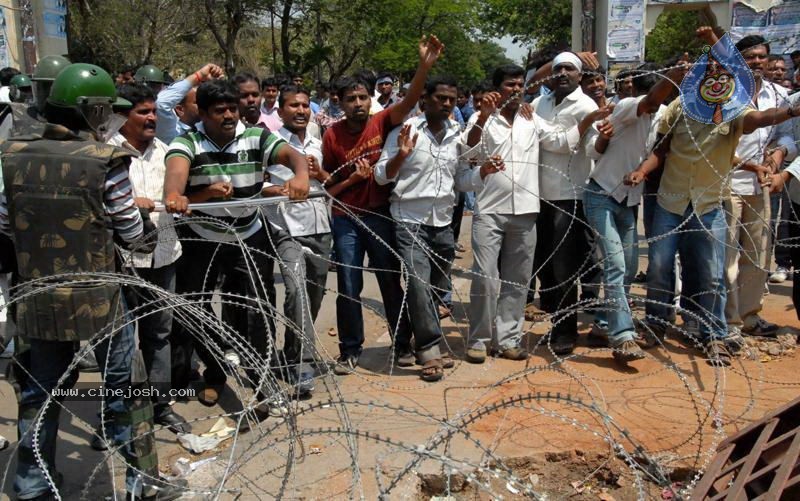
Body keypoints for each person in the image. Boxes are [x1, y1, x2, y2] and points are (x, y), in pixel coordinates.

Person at [0, 63, 184, 501]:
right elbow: (131, 234)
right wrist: (156, 224)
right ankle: (144, 483)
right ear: (95, 111)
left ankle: (30, 485)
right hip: (98, 298)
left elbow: (7, 225)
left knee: (39, 394)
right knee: (126, 390)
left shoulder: (12, 154)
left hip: (38, 296)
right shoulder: (107, 163)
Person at [624, 28, 800, 365]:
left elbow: (761, 118)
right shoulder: (680, 107)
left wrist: (791, 111)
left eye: (721, 73)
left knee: (712, 271)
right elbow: (662, 149)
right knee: (660, 267)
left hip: (709, 204)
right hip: (670, 201)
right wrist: (642, 172)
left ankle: (714, 334)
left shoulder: (733, 110)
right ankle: (656, 325)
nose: (714, 77)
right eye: (709, 71)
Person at [164, 79, 310, 408]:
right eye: (219, 111)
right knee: (196, 310)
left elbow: (293, 157)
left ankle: (262, 378)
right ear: (201, 113)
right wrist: (175, 196)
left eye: (232, 108)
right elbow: (175, 176)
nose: (229, 115)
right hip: (201, 237)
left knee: (259, 310)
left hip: (248, 233)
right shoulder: (188, 142)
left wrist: (300, 177)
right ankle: (215, 370)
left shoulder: (255, 136)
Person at [322, 35, 443, 374]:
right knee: (348, 284)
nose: (358, 103)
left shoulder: (381, 122)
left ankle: (401, 343)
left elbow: (412, 100)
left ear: (370, 99)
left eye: (362, 97)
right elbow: (328, 183)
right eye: (350, 99)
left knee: (390, 281)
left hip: (379, 215)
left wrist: (424, 66)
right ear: (340, 103)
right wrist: (352, 180)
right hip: (345, 217)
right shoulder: (332, 135)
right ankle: (349, 349)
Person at [584, 61, 681, 364]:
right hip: (601, 193)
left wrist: (640, 171)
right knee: (614, 264)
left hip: (628, 199)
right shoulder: (628, 106)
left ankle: (602, 322)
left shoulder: (664, 115)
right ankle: (622, 336)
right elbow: (651, 101)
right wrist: (673, 75)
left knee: (627, 267)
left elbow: (658, 152)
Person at [375, 75, 470, 379]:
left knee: (437, 289)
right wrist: (401, 155)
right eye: (440, 98)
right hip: (409, 218)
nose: (446, 104)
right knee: (418, 283)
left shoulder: (458, 133)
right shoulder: (406, 130)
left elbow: (463, 181)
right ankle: (429, 349)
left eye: (451, 100)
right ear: (425, 100)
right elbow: (380, 176)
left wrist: (484, 173)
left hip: (443, 220)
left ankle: (420, 338)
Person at [109, 83, 189, 433]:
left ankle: (160, 405)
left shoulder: (167, 152)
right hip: (123, 259)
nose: (151, 118)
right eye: (143, 112)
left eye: (154, 111)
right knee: (121, 342)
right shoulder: (107, 153)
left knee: (159, 334)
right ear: (123, 116)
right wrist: (134, 204)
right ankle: (119, 415)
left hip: (164, 253)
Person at [462, 64, 551, 363]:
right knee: (486, 277)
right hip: (490, 210)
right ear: (496, 89)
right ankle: (478, 339)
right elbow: (468, 152)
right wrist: (484, 117)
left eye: (519, 85)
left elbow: (560, 140)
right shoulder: (481, 119)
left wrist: (592, 118)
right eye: (510, 85)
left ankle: (509, 339)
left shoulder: (531, 118)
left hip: (526, 210)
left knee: (517, 280)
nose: (516, 89)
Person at [532, 52, 610, 355]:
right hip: (537, 194)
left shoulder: (586, 106)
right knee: (544, 265)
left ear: (580, 76)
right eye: (558, 68)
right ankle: (556, 317)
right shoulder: (541, 103)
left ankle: (565, 330)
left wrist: (600, 138)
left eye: (569, 69)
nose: (562, 73)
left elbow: (583, 147)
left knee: (565, 267)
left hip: (569, 196)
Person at [261, 84, 332, 396]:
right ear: (281, 110)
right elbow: (255, 183)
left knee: (314, 295)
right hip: (286, 228)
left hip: (320, 227)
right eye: (294, 106)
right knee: (295, 291)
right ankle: (302, 361)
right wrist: (279, 189)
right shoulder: (271, 144)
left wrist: (320, 175)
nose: (301, 111)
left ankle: (292, 349)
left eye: (305, 105)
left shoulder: (319, 142)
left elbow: (331, 181)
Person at [724, 35, 796, 338]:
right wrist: (749, 164)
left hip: (762, 186)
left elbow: (787, 136)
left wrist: (777, 158)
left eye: (761, 57)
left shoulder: (779, 95)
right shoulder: (724, 94)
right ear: (739, 60)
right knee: (726, 257)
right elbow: (719, 140)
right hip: (727, 183)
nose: (756, 62)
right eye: (750, 56)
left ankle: (749, 317)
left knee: (758, 255)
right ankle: (727, 323)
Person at [155, 63, 223, 144]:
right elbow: (160, 103)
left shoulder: (213, 130)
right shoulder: (172, 133)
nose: (204, 104)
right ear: (180, 109)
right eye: (197, 102)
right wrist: (198, 76)